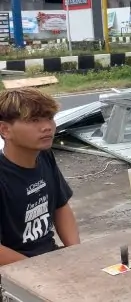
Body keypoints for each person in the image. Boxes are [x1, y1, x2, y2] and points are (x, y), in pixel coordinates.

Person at [0, 88, 80, 266]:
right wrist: (41, 271)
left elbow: (61, 206)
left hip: (49, 259)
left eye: (50, 118)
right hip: (12, 273)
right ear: (5, 130)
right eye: (34, 120)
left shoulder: (44, 156)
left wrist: (76, 254)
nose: (47, 127)